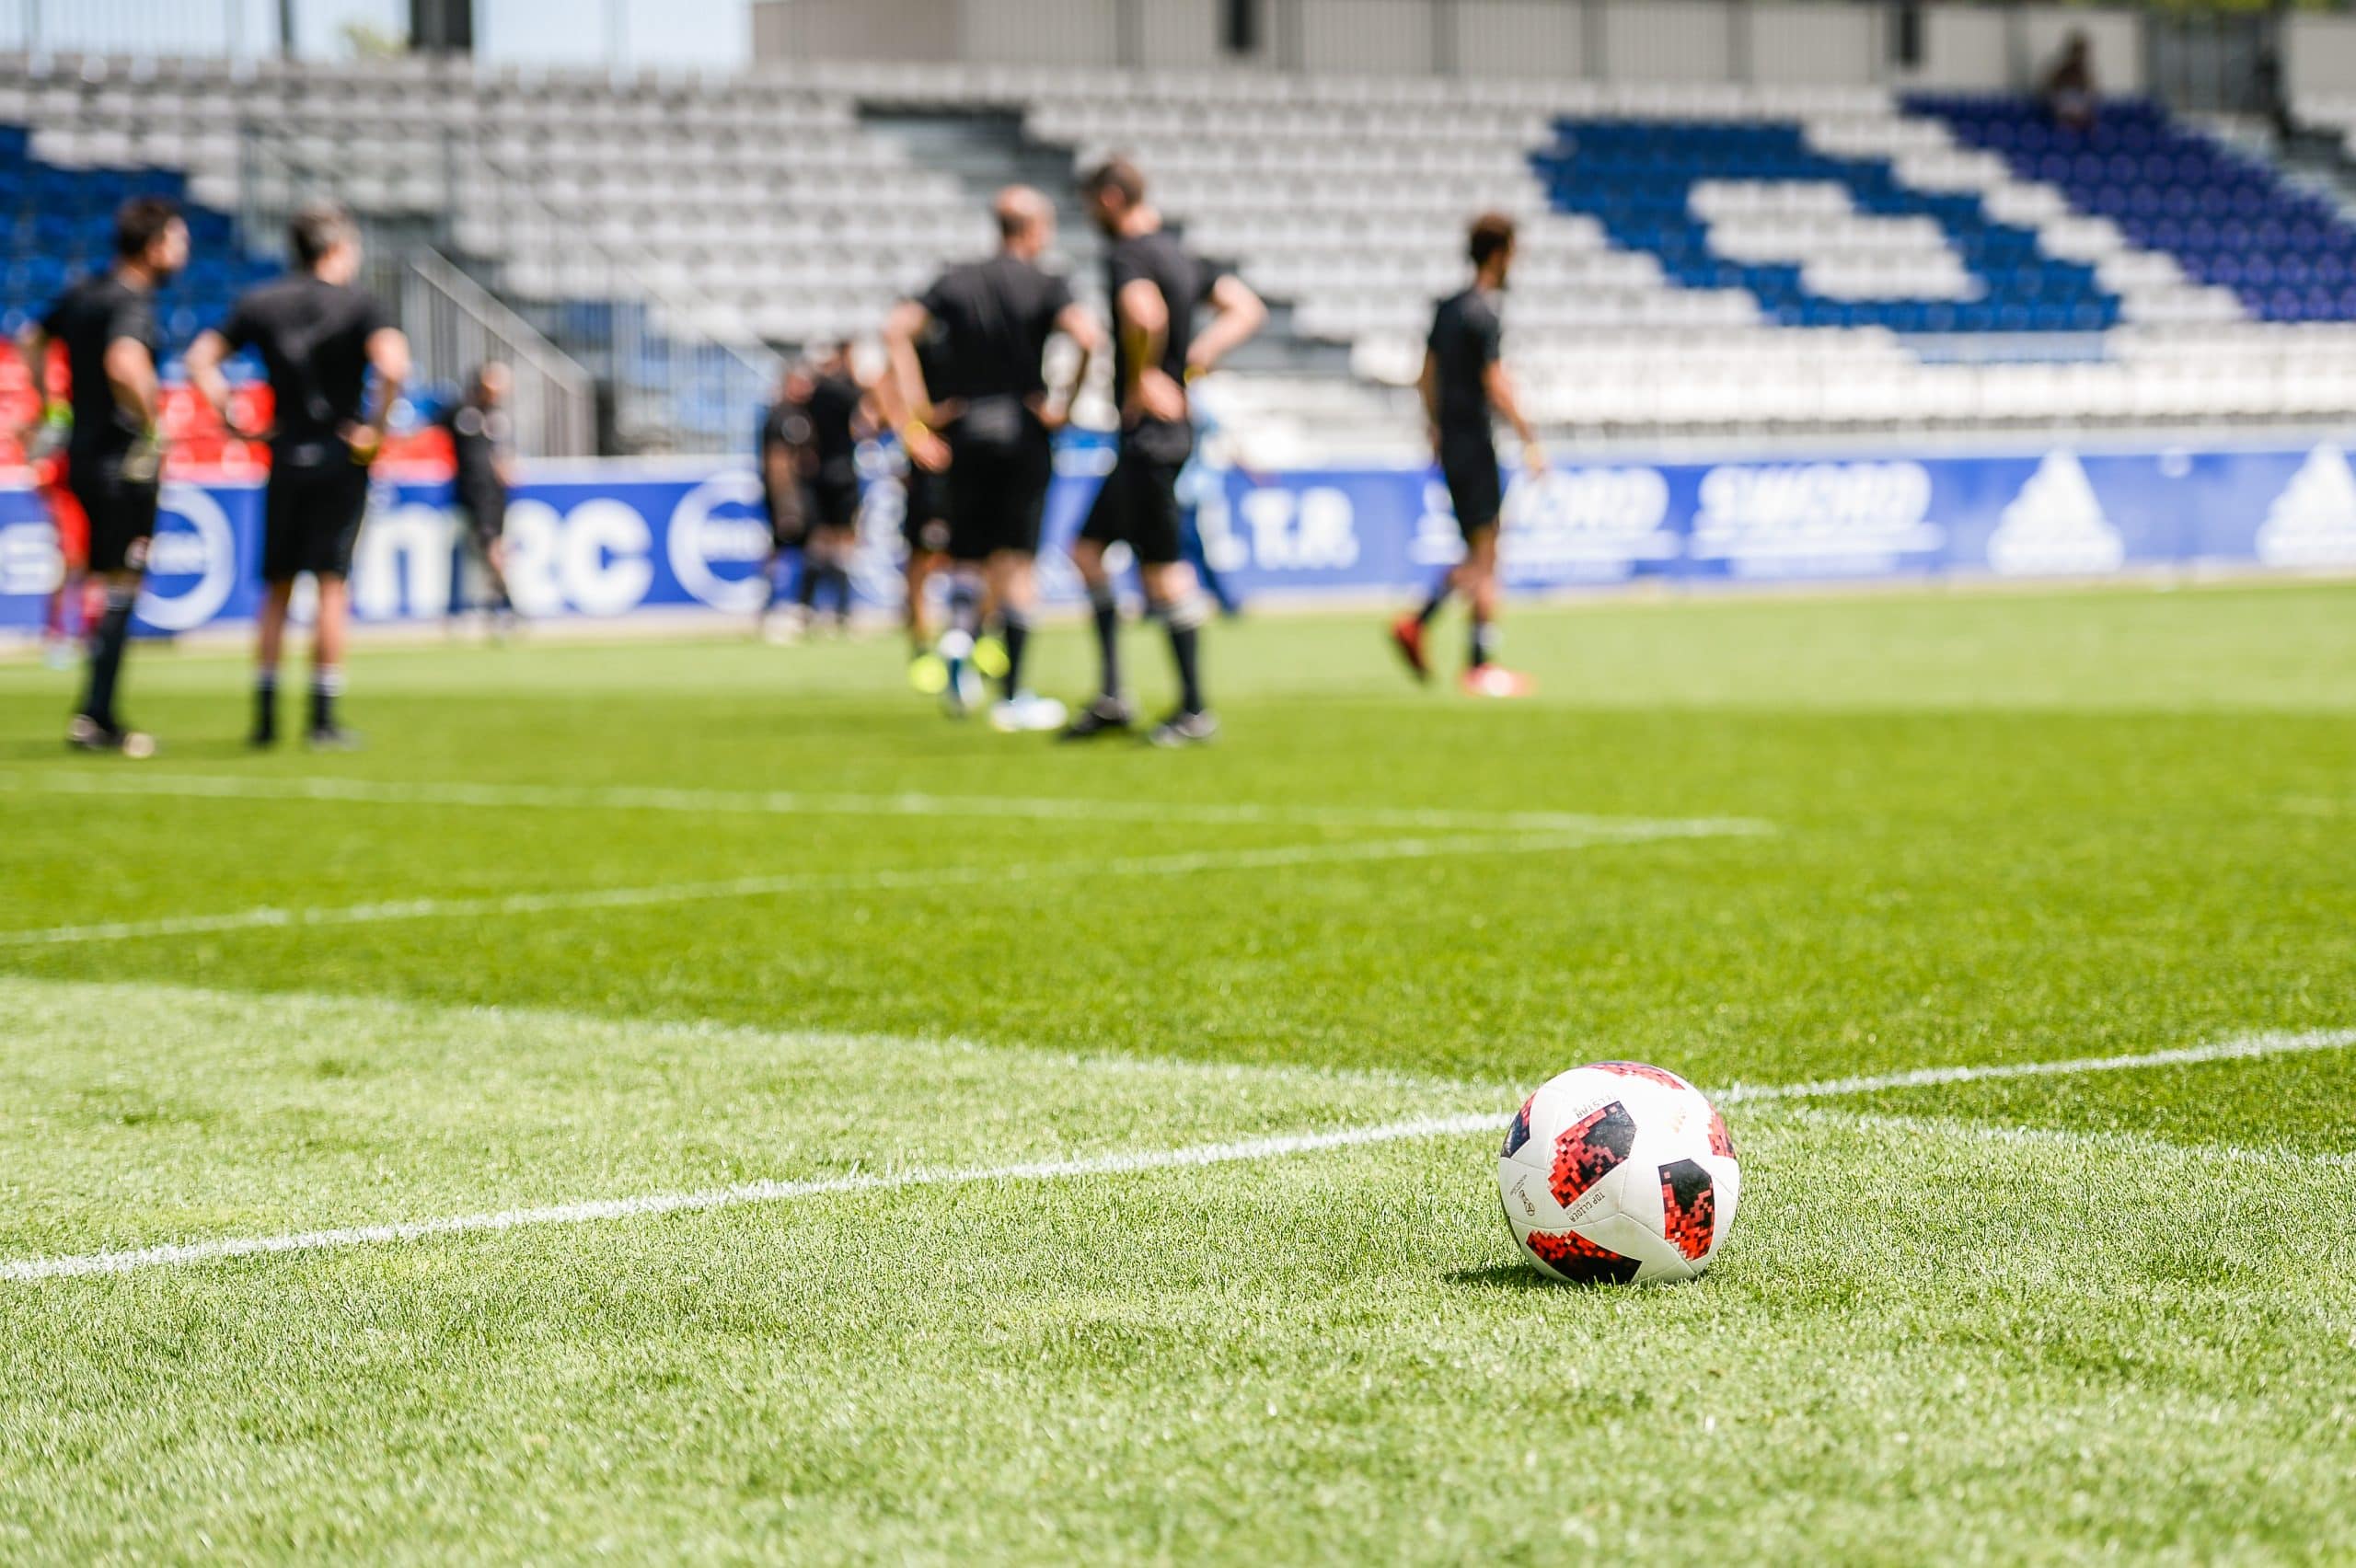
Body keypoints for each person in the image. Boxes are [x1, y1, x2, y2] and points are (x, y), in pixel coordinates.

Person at [188, 201, 410, 749]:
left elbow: (200, 358)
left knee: (277, 589)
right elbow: (393, 365)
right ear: (338, 248)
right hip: (340, 457)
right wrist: (376, 428)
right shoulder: (361, 304)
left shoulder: (261, 301)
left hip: (284, 455)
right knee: (331, 588)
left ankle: (264, 720)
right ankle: (322, 719)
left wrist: (228, 413)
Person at [882, 184, 1100, 732]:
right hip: (1024, 431)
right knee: (1018, 564)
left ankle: (958, 645)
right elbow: (1089, 338)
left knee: (967, 558)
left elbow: (895, 331)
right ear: (1034, 229)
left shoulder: (956, 278)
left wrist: (921, 409)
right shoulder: (1048, 283)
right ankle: (1014, 693)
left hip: (964, 432)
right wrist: (1063, 403)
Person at [1063, 157, 1265, 746]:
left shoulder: (1129, 253)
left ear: (1109, 197)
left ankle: (1194, 711)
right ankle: (1112, 696)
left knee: (1163, 571)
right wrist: (1193, 361)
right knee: (1087, 550)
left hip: (1149, 434)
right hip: (1163, 433)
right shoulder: (1180, 253)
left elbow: (1143, 312)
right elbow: (1246, 309)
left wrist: (1146, 373)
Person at [22, 196, 187, 756]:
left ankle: (95, 711)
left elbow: (31, 338)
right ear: (156, 245)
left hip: (83, 459)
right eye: (177, 241)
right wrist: (153, 422)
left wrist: (52, 408)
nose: (182, 253)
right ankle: (97, 716)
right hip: (124, 465)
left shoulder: (83, 292)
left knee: (101, 580)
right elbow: (125, 363)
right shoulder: (131, 301)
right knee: (122, 586)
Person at [1390, 211, 1544, 698]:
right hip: (1477, 443)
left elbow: (1425, 373)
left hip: (1450, 442)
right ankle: (1470, 657)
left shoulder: (1447, 308)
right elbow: (1496, 382)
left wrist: (1432, 426)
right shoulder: (1485, 311)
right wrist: (1530, 439)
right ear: (1501, 255)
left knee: (1478, 550)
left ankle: (1430, 629)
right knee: (1487, 553)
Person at [796, 341, 869, 636]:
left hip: (819, 474)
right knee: (841, 545)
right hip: (843, 474)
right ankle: (841, 611)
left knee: (820, 544)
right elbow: (867, 421)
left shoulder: (813, 394)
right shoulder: (846, 392)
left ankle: (808, 608)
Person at [439, 362, 517, 635]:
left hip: (494, 496)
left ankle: (501, 607)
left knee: (492, 550)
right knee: (483, 551)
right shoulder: (461, 412)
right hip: (468, 494)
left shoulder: (497, 418)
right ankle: (503, 606)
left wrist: (506, 468)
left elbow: (502, 455)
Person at [898, 318, 956, 674]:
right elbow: (885, 385)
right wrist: (914, 434)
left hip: (973, 461)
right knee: (924, 557)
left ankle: (971, 637)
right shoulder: (921, 343)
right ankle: (922, 644)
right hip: (932, 472)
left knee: (976, 558)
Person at [756, 363, 814, 642]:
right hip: (787, 497)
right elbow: (777, 462)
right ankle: (776, 608)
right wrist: (786, 503)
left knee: (801, 550)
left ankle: (792, 607)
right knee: (783, 551)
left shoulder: (800, 414)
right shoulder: (781, 417)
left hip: (797, 494)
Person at [2043, 31, 2097, 133]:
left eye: (2082, 52)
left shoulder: (2086, 75)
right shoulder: (2060, 72)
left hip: (2081, 118)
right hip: (2063, 116)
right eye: (2077, 52)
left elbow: (2092, 96)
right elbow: (2051, 95)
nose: (2080, 56)